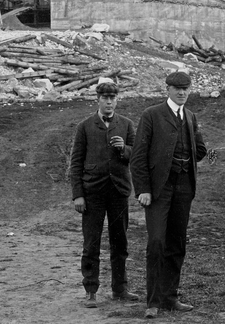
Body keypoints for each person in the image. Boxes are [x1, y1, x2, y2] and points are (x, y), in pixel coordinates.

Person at [130, 70, 208, 319]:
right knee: (156, 243)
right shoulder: (152, 114)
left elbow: (201, 149)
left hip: (184, 188)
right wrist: (143, 189)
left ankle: (170, 297)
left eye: (186, 88)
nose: (182, 92)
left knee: (177, 243)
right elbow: (138, 156)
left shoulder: (191, 116)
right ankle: (152, 301)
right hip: (158, 191)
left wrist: (185, 162)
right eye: (177, 89)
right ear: (168, 90)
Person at [69, 78, 140, 308]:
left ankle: (120, 289)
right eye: (105, 98)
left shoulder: (127, 125)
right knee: (91, 243)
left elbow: (137, 156)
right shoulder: (85, 126)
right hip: (92, 194)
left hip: (118, 191)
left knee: (120, 243)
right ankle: (90, 290)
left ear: (117, 100)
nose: (109, 102)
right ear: (97, 100)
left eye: (113, 98)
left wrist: (124, 150)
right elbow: (76, 163)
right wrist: (78, 194)